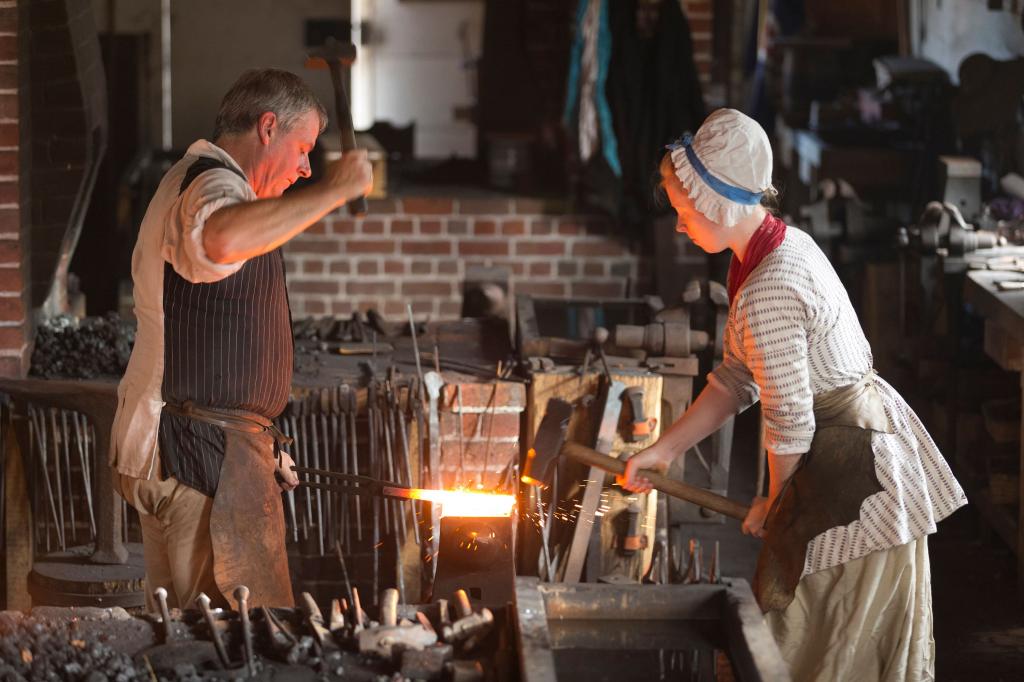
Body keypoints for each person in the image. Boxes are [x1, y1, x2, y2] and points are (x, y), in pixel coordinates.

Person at [622, 108, 966, 680]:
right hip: (842, 452)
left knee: (815, 641)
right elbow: (738, 378)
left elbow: (790, 420)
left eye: (685, 213)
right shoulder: (767, 250)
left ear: (717, 204)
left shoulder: (771, 286)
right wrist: (663, 450)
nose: (680, 227)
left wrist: (780, 506)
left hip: (852, 472)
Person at [110, 69, 372, 611]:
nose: (304, 168)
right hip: (200, 461)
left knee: (185, 637)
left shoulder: (197, 179)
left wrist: (259, 442)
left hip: (211, 450)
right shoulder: (214, 184)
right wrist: (336, 189)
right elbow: (222, 237)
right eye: (303, 149)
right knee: (226, 643)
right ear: (268, 127)